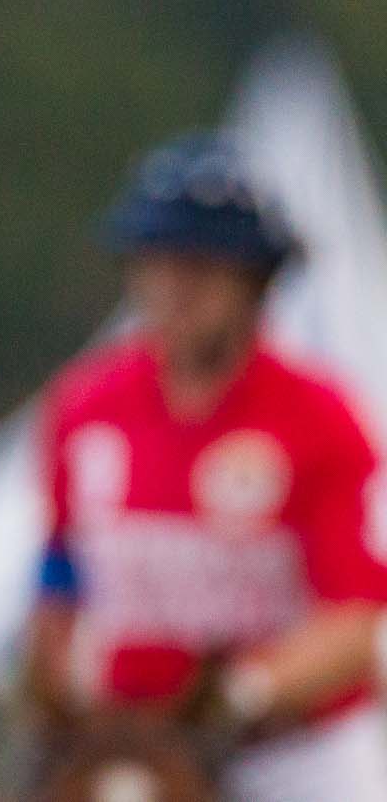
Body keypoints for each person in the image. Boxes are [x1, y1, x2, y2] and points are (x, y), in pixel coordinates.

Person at [23, 131, 387, 798]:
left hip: (293, 751)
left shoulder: (320, 417)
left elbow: (355, 619)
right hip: (133, 747)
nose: (171, 286)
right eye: (154, 262)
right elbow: (58, 580)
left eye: (199, 265)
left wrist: (246, 693)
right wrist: (52, 687)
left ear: (255, 281)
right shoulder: (84, 407)